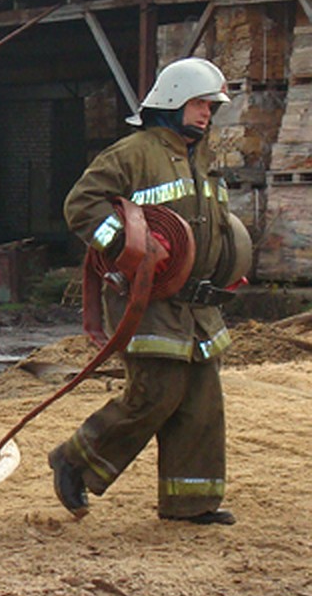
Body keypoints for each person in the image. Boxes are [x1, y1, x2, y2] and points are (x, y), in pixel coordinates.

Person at [49, 56, 242, 526]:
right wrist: (124, 245)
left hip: (197, 303)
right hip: (149, 301)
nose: (206, 114)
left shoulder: (202, 158)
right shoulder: (133, 152)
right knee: (156, 393)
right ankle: (75, 459)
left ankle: (191, 501)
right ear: (173, 101)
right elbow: (80, 206)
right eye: (199, 103)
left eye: (211, 106)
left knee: (200, 402)